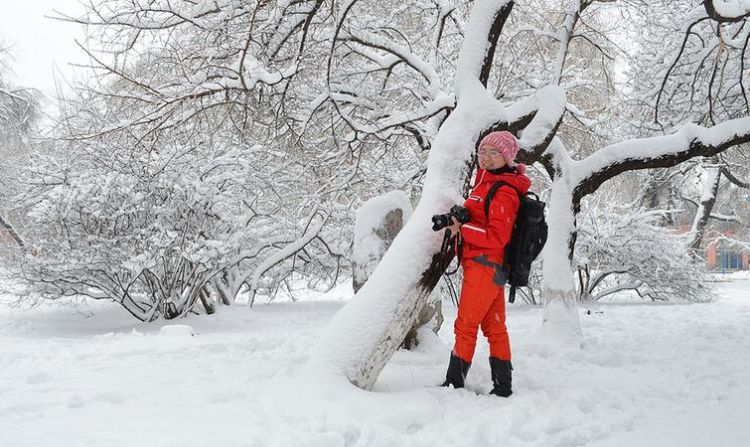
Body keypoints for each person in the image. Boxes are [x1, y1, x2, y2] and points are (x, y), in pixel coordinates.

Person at [441, 130, 530, 397]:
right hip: (487, 266)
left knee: (466, 325)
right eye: (483, 152)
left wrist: (462, 227)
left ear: (508, 157)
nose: (487, 158)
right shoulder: (486, 184)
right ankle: (503, 387)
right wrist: (464, 215)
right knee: (494, 327)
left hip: (485, 264)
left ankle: (453, 384)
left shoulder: (504, 191)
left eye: (494, 153)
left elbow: (496, 238)